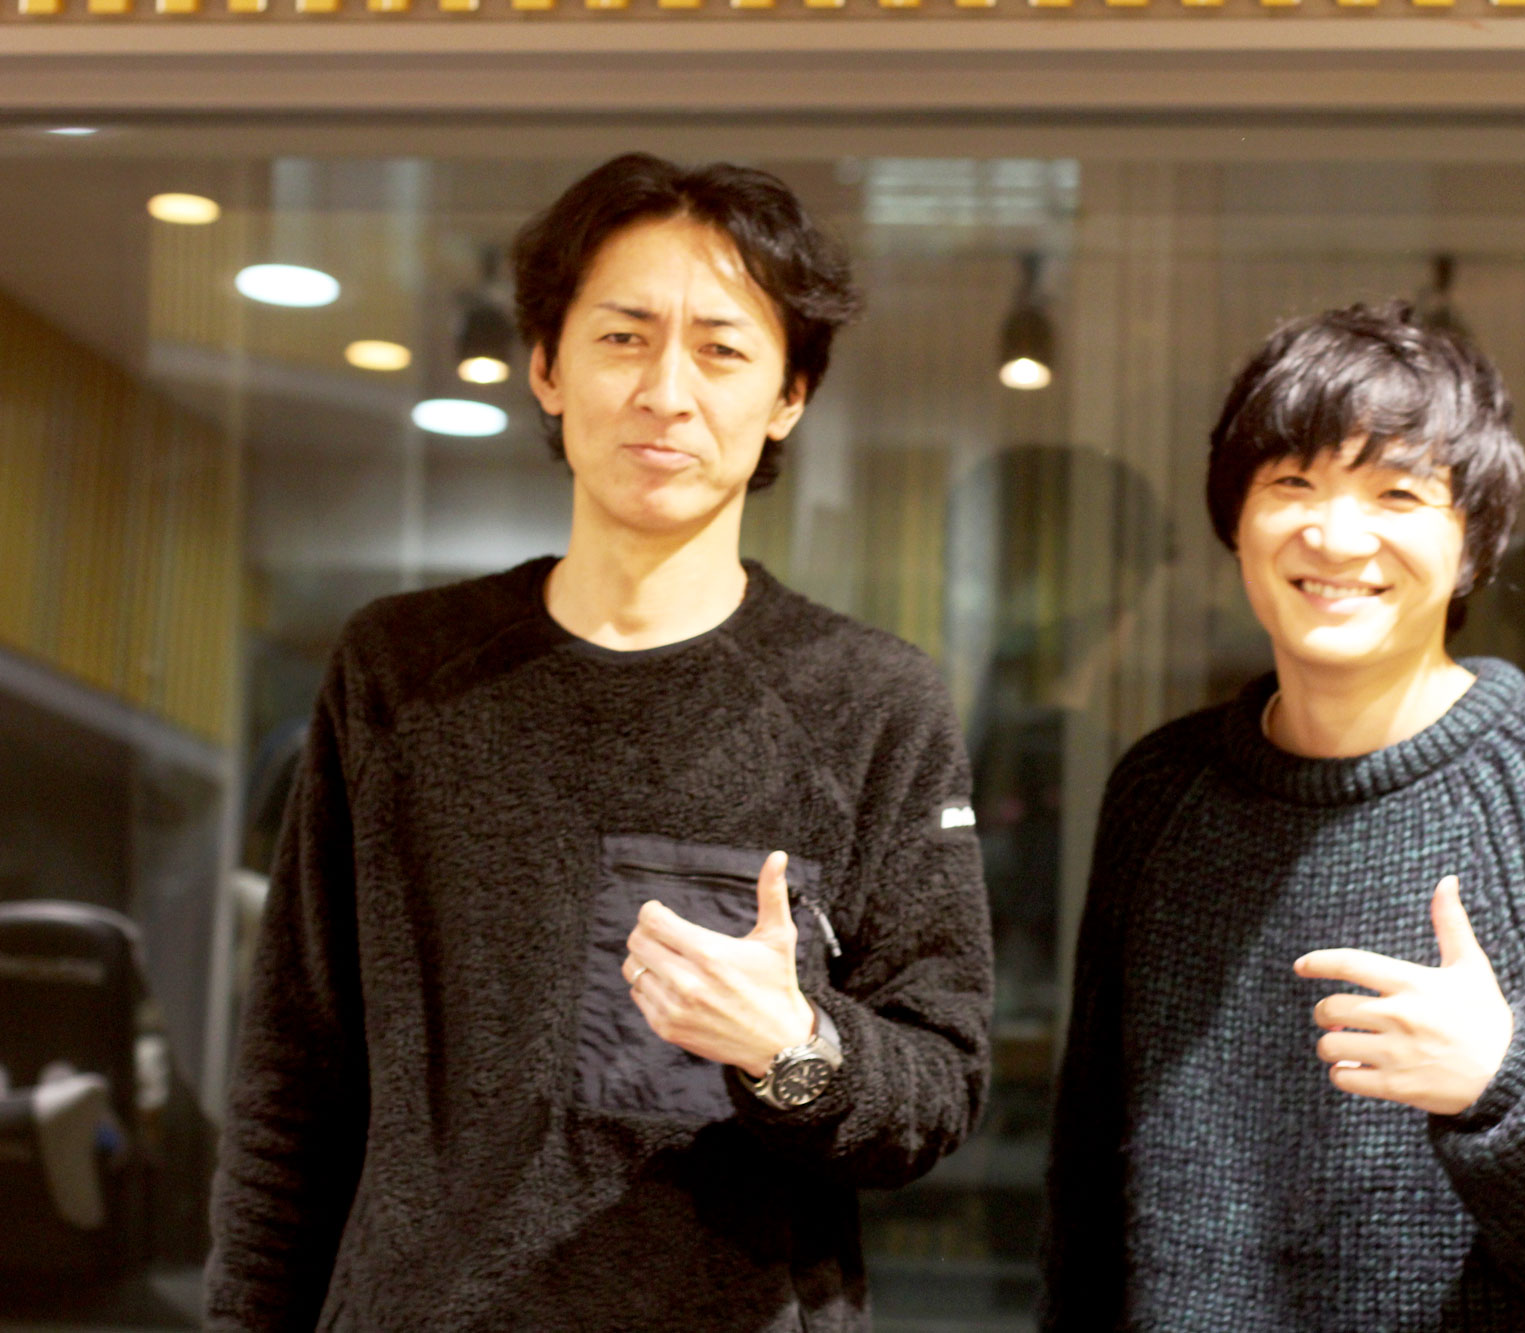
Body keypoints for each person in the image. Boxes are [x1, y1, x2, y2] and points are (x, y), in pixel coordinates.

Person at [205, 154, 993, 1332]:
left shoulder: (871, 700)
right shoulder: (400, 673)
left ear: (788, 394)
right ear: (546, 365)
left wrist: (791, 1046)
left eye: (720, 350)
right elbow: (292, 1078)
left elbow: (939, 1086)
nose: (666, 391)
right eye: (623, 337)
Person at [1042, 303, 1525, 1330]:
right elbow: (1086, 1193)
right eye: (1292, 484)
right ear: (1233, 520)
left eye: (1396, 492)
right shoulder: (1161, 793)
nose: (1337, 536)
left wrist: (1505, 1079)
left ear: (1472, 542)